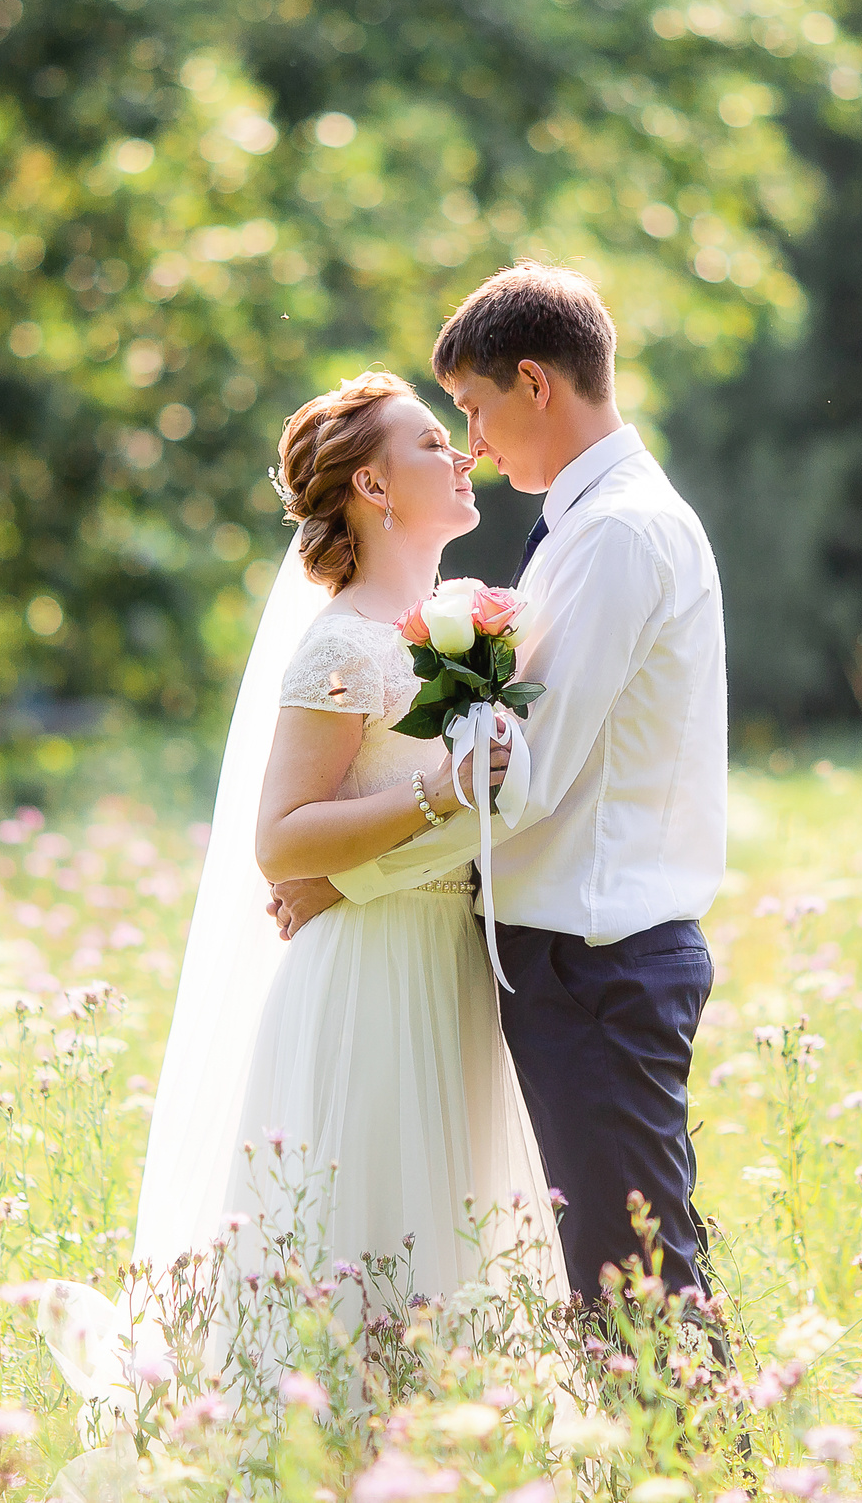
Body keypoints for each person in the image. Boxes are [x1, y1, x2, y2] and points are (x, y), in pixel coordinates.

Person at [36, 370, 560, 1438]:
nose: (460, 455)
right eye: (428, 443)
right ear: (372, 483)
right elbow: (279, 844)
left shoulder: (458, 629)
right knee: (356, 1272)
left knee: (452, 1269)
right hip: (362, 980)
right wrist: (438, 786)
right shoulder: (341, 644)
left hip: (452, 972)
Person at [271, 263, 728, 1313]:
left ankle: (699, 1474)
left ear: (535, 382)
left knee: (637, 1293)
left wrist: (349, 883)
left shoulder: (612, 531)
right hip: (572, 963)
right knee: (618, 1281)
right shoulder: (594, 522)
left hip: (596, 963)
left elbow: (515, 784)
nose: (470, 441)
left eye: (471, 410)